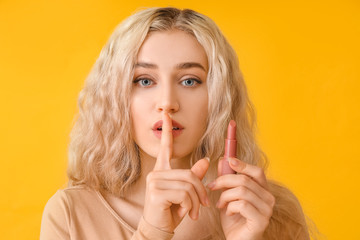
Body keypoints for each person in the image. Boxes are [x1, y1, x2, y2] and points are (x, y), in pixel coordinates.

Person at [40, 7, 312, 240]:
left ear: (219, 96)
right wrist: (153, 231)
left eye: (190, 81)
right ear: (116, 95)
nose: (167, 102)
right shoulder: (70, 214)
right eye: (144, 80)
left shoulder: (271, 212)